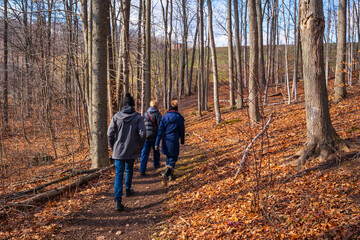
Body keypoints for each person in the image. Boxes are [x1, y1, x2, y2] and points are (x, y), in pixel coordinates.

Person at [107, 93, 146, 211]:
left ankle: (118, 200)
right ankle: (128, 189)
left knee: (119, 173)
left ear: (123, 104)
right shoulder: (138, 117)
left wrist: (113, 146)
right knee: (129, 169)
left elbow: (110, 134)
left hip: (118, 150)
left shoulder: (116, 117)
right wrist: (140, 145)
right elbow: (143, 133)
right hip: (131, 149)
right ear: (133, 105)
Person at [155, 100, 185, 181]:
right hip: (174, 140)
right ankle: (166, 173)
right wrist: (182, 140)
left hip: (166, 140)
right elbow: (182, 130)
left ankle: (170, 176)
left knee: (169, 158)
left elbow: (160, 131)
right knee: (173, 159)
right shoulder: (179, 118)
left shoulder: (165, 117)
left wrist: (157, 143)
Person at [139, 100, 162, 176]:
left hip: (146, 136)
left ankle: (142, 170)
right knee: (156, 151)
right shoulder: (158, 114)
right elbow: (160, 126)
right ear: (156, 106)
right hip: (154, 136)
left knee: (144, 153)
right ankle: (156, 165)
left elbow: (142, 125)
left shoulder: (145, 114)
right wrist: (160, 135)